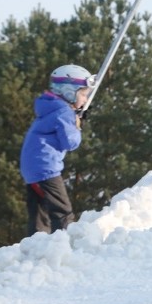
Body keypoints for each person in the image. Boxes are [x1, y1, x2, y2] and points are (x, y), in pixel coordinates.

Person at [20, 64, 95, 236]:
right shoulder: (64, 112)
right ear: (69, 91)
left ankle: (36, 245)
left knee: (39, 213)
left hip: (32, 167)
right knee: (62, 211)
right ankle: (65, 245)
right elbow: (70, 142)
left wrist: (74, 118)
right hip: (46, 167)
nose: (84, 100)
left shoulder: (51, 107)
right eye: (83, 94)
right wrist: (77, 126)